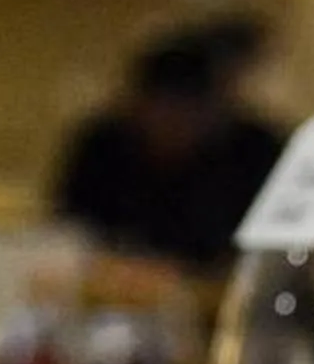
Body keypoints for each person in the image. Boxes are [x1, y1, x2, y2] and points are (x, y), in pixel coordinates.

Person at [51, 29, 285, 270]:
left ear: (216, 111)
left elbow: (277, 256)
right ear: (136, 107)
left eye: (187, 115)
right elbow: (67, 233)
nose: (174, 127)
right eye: (164, 113)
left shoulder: (256, 152)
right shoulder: (102, 146)